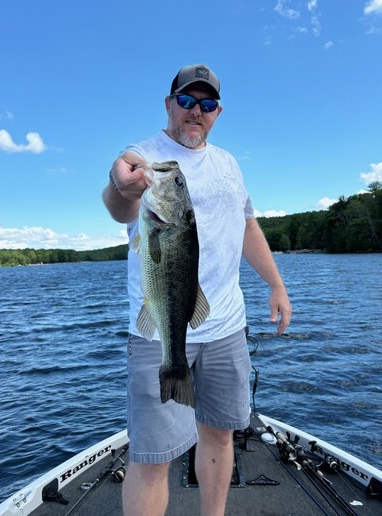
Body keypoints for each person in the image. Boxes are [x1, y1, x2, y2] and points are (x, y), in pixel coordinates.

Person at [102, 64, 292, 516]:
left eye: (206, 105)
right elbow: (118, 205)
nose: (195, 112)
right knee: (152, 457)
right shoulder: (146, 157)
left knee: (221, 433)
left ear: (217, 112)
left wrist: (276, 284)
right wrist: (119, 183)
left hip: (227, 326)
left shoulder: (228, 163)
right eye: (186, 101)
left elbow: (247, 226)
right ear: (169, 105)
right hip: (158, 334)